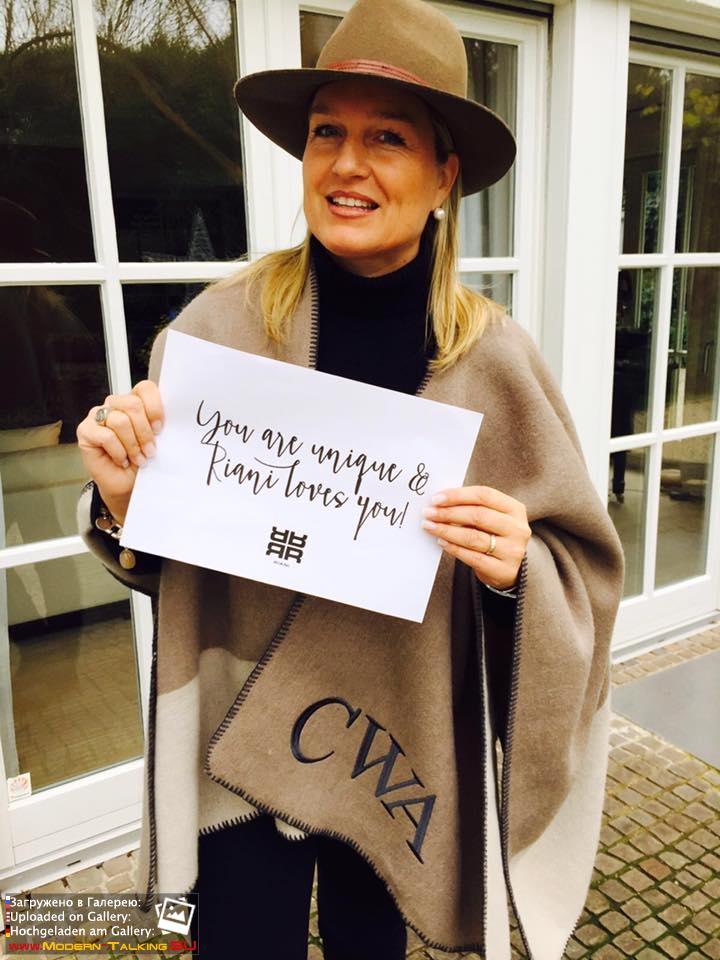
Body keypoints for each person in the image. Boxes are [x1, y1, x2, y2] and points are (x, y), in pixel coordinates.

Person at [75, 0, 625, 958]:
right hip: (235, 727)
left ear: (444, 175)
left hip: (393, 739)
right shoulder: (218, 333)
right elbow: (169, 555)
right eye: (327, 132)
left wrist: (516, 571)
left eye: (388, 138)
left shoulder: (497, 365)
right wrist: (126, 503)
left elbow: (583, 574)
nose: (346, 165)